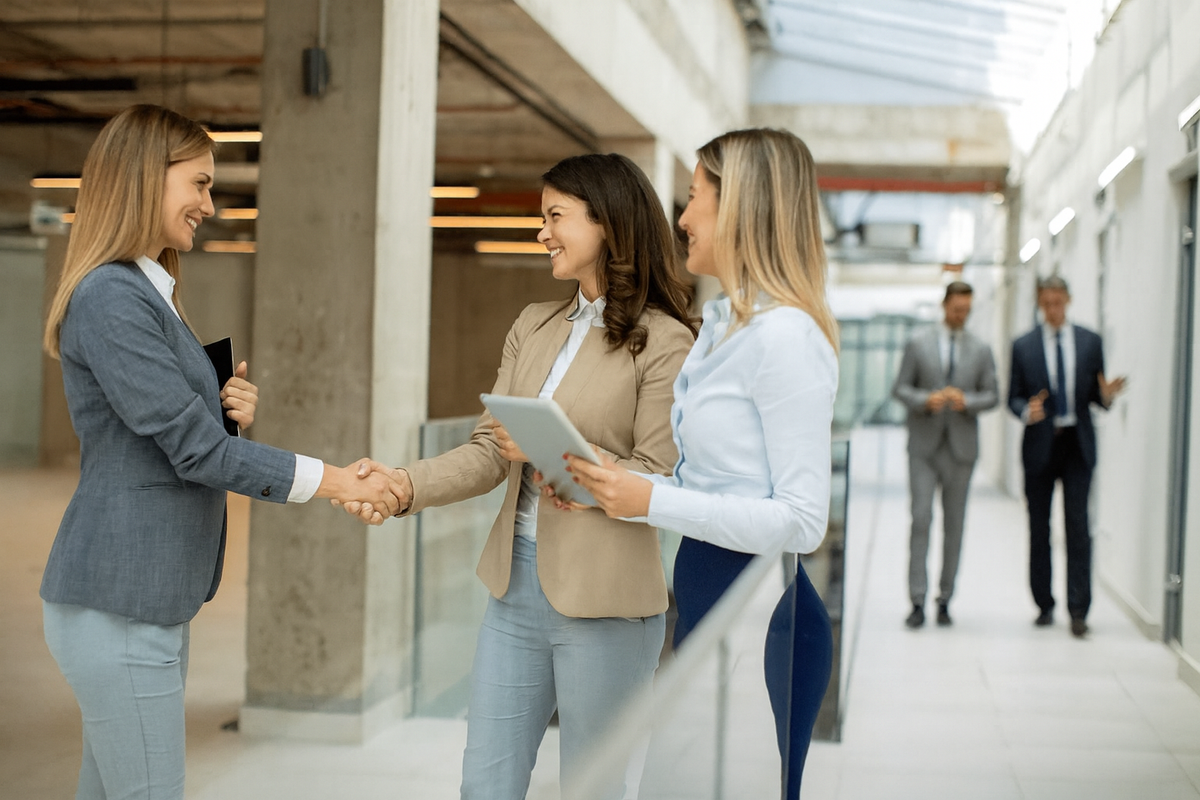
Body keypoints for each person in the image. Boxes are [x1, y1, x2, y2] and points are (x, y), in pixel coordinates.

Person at [38, 104, 406, 800]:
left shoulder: (149, 291)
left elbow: (175, 436)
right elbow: (195, 454)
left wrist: (220, 404)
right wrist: (336, 480)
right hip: (120, 601)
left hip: (138, 599)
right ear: (147, 176)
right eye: (199, 183)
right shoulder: (113, 297)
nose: (210, 203)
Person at [341, 153, 696, 800]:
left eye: (555, 217)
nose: (542, 233)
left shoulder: (666, 341)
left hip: (607, 602)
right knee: (485, 783)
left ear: (609, 225)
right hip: (514, 591)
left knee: (591, 787)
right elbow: (487, 449)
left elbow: (658, 477)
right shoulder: (533, 325)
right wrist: (403, 484)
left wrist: (560, 451)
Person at [561, 128, 839, 800]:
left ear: (743, 208)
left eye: (694, 199)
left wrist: (650, 502)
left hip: (764, 613)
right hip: (708, 601)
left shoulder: (787, 339)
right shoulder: (722, 326)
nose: (680, 218)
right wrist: (618, 483)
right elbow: (706, 486)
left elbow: (803, 523)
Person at [1008, 275, 1125, 637]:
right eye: (1046, 303)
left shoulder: (1090, 342)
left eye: (1058, 302)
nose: (1053, 310)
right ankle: (1044, 604)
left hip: (1077, 445)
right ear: (1039, 303)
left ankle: (1078, 609)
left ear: (1069, 300)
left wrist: (1105, 396)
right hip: (1039, 447)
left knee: (1078, 528)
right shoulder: (1023, 346)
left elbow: (1096, 397)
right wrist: (1027, 410)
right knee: (1039, 528)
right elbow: (1012, 397)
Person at [892, 281, 998, 628]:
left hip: (961, 449)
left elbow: (993, 394)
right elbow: (900, 388)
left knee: (955, 526)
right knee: (920, 519)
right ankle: (917, 600)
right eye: (956, 309)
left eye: (966, 310)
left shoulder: (981, 349)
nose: (961, 315)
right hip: (924, 446)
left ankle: (945, 598)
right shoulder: (917, 344)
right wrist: (926, 400)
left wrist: (968, 401)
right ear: (945, 305)